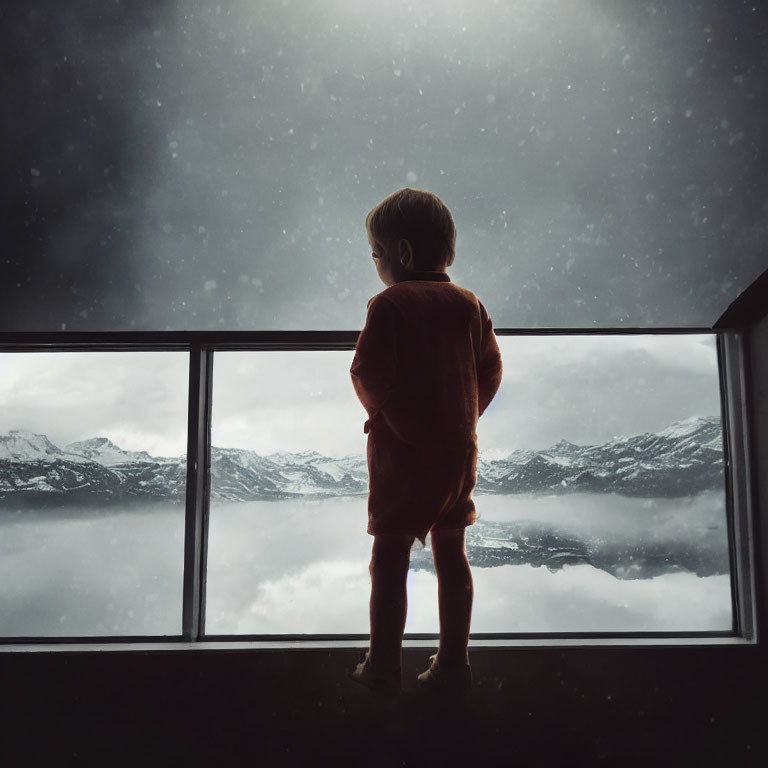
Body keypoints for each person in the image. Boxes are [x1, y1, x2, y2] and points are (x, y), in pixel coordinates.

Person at [348, 188, 503, 695]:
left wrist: (397, 418)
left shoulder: (390, 304)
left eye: (376, 253)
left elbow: (367, 372)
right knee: (451, 554)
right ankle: (454, 663)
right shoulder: (469, 304)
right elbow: (490, 369)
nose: (376, 264)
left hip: (404, 457)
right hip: (458, 454)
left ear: (402, 254)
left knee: (389, 560)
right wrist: (461, 415)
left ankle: (383, 668)